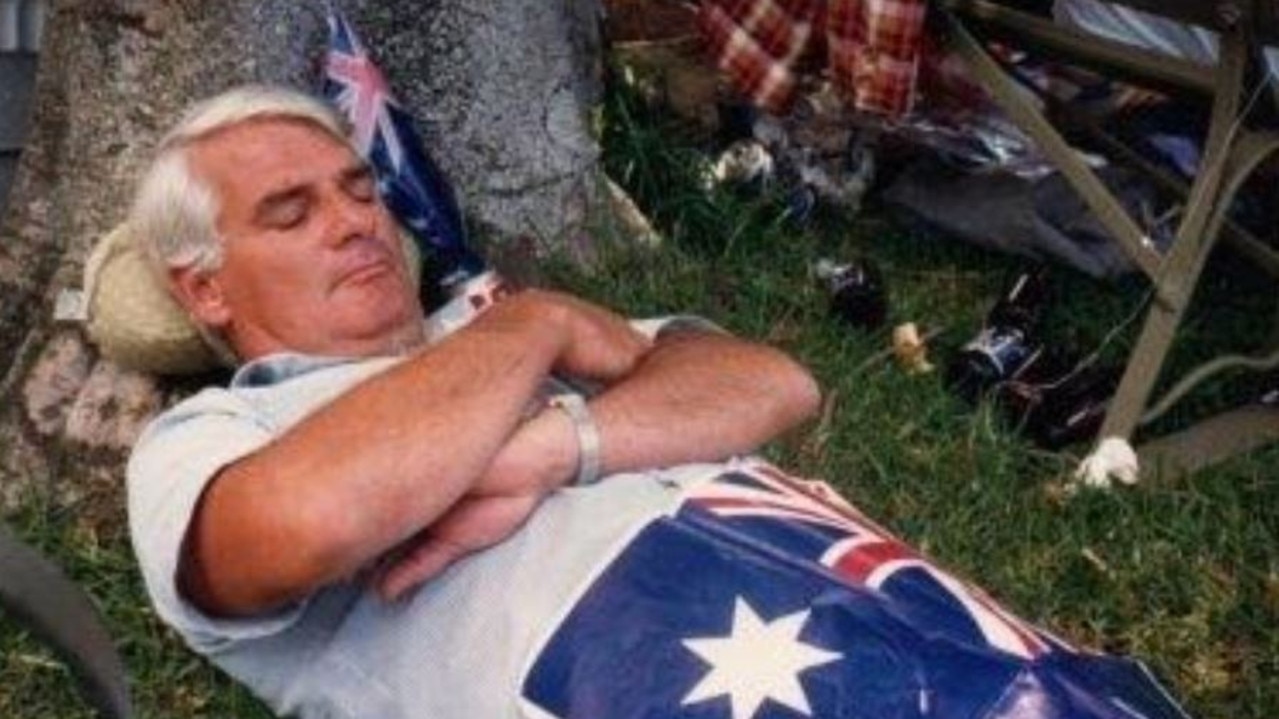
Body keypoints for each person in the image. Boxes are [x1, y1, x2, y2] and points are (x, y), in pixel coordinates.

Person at [127, 85, 1188, 718]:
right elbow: (301, 524)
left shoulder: (481, 353)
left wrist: (549, 446)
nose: (356, 220)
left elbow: (767, 381)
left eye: (360, 187)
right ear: (206, 285)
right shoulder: (216, 434)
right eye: (290, 211)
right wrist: (529, 324)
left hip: (903, 627)